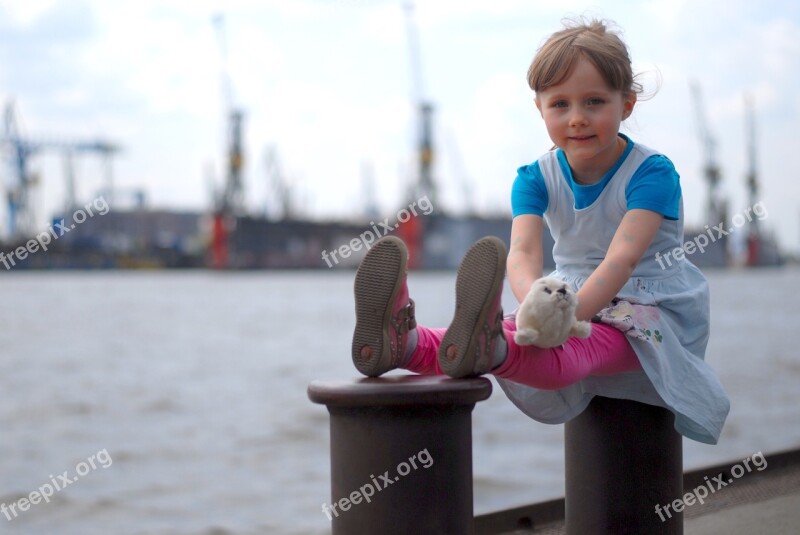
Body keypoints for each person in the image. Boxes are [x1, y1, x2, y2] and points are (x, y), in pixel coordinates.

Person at [350, 18, 729, 445]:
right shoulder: (533, 178)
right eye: (560, 104)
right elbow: (523, 254)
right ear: (540, 108)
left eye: (594, 102)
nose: (577, 119)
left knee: (573, 350)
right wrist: (535, 303)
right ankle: (403, 343)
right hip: (567, 290)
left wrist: (566, 317)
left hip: (652, 304)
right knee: (516, 332)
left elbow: (621, 260)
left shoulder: (651, 174)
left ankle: (493, 349)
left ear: (627, 103)